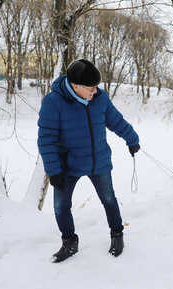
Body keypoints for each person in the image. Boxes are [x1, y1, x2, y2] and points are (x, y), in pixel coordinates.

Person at [37, 59, 140, 263]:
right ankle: (69, 243)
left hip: (98, 161)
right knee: (61, 207)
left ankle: (117, 236)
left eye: (96, 87)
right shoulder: (53, 102)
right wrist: (53, 170)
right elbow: (46, 139)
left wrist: (132, 139)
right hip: (67, 166)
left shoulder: (100, 99)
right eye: (90, 88)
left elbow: (116, 121)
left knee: (109, 200)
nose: (95, 91)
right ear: (75, 86)